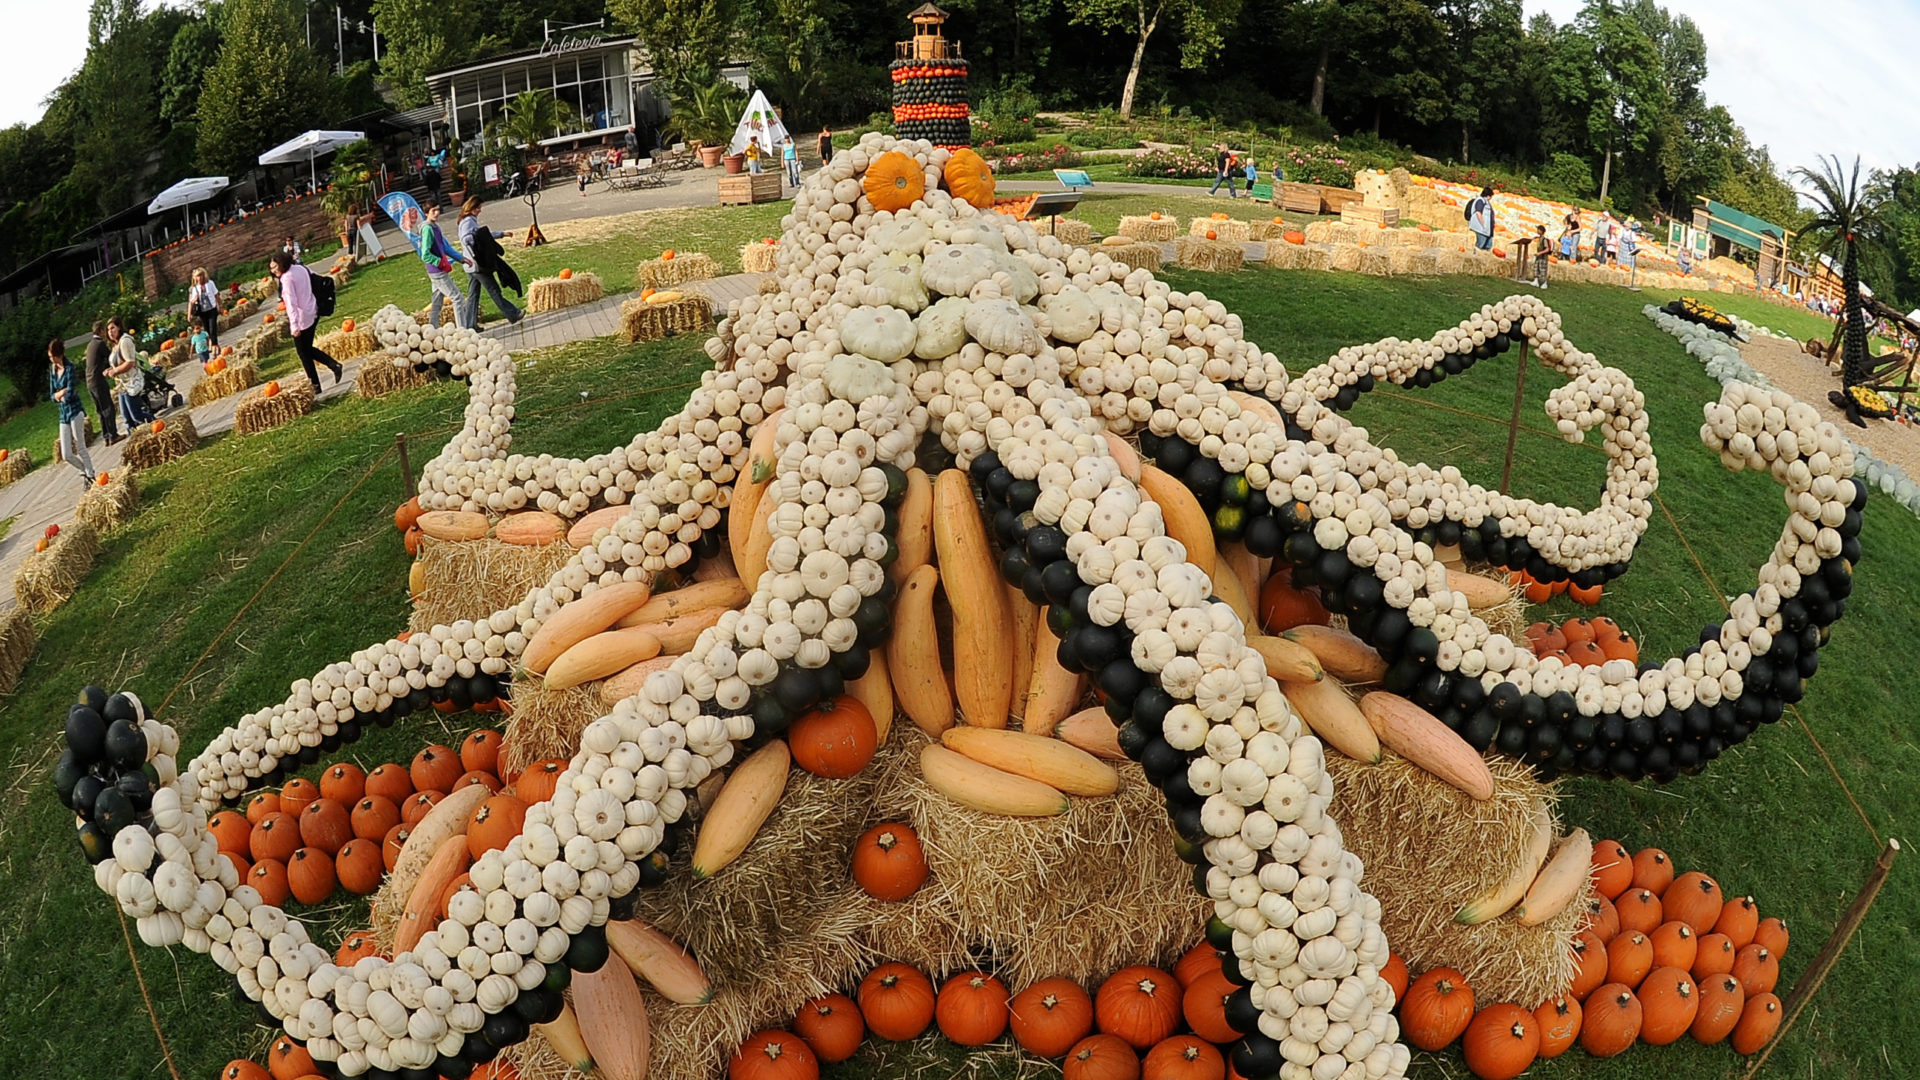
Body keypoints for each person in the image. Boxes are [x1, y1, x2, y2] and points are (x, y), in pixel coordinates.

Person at [270, 249, 343, 393]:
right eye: (271, 268)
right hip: (313, 310)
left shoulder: (286, 278)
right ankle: (331, 368)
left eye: (274, 267)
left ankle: (317, 384)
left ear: (282, 264)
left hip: (302, 318)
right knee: (307, 350)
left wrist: (294, 326)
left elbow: (291, 303)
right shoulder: (300, 268)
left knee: (303, 353)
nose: (272, 271)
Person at [405, 203, 474, 329]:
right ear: (426, 213)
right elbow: (425, 254)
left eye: (438, 209)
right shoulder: (427, 229)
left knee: (437, 302)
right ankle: (462, 331)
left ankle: (432, 329)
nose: (436, 213)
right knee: (457, 298)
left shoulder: (435, 227)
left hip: (438, 269)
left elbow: (445, 248)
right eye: (433, 210)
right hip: (437, 271)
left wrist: (461, 258)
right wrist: (439, 262)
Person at [458, 197, 524, 328]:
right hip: (477, 265)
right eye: (478, 208)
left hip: (469, 266)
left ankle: (470, 326)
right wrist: (477, 246)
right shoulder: (468, 221)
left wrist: (501, 234)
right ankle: (513, 313)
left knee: (473, 296)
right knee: (494, 290)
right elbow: (467, 238)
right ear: (471, 208)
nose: (480, 210)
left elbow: (484, 235)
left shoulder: (465, 220)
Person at [48, 339, 95, 487]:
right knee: (66, 453)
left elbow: (71, 395)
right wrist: (61, 393)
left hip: (75, 411)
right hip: (63, 415)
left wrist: (60, 395)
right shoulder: (53, 370)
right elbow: (51, 395)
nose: (51, 360)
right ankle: (84, 470)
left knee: (80, 446)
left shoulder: (70, 368)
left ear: (58, 355)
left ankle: (91, 474)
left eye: (52, 356)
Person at [104, 317, 155, 429]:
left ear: (119, 328)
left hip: (132, 381)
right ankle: (135, 438)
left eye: (113, 328)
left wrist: (115, 371)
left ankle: (155, 423)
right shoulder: (115, 345)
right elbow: (117, 362)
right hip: (123, 384)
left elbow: (130, 362)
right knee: (127, 419)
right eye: (108, 330)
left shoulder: (125, 341)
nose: (110, 332)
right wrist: (110, 370)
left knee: (136, 415)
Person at [83, 321, 119, 446]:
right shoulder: (100, 343)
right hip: (98, 381)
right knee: (108, 408)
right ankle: (113, 435)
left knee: (100, 410)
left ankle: (106, 436)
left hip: (90, 382)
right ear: (101, 331)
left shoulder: (90, 344)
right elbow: (111, 358)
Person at [188, 267, 222, 350]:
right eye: (197, 276)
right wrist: (189, 314)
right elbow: (191, 302)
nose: (199, 278)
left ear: (204, 275)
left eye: (200, 275)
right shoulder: (194, 288)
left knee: (212, 327)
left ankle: (214, 345)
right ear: (194, 278)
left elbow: (216, 295)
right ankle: (212, 343)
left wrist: (220, 306)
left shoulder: (210, 283)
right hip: (202, 311)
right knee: (207, 329)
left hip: (212, 309)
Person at [1467, 186, 1495, 251]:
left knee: (1488, 246)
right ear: (1488, 195)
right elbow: (1478, 213)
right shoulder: (1480, 200)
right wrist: (1483, 224)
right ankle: (1475, 257)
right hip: (1481, 228)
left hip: (1487, 230)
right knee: (1480, 245)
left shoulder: (1486, 202)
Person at [1532, 224, 1551, 288]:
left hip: (1543, 257)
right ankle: (1536, 280)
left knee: (1542, 269)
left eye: (1538, 230)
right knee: (1536, 268)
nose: (1537, 231)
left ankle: (1544, 283)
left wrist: (1540, 253)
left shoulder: (1544, 240)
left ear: (1541, 231)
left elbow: (1547, 249)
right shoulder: (1540, 238)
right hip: (1539, 256)